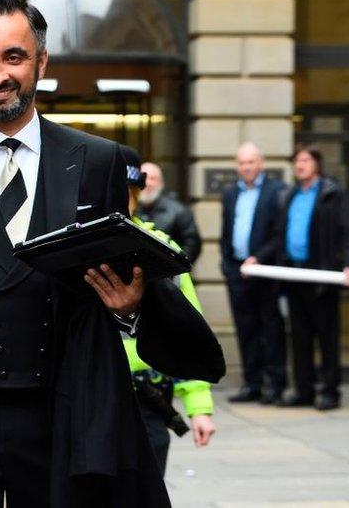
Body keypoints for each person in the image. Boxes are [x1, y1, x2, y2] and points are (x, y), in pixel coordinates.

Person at [0, 0, 224, 508]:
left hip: (63, 413)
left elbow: (121, 281)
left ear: (41, 62)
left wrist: (130, 312)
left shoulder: (98, 161)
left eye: (13, 56)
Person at [121, 145, 215, 476]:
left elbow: (187, 331)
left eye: (130, 192)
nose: (123, 200)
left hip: (149, 395)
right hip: (91, 395)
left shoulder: (162, 251)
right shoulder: (75, 245)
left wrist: (198, 405)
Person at [274, 145, 349, 411]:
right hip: (294, 274)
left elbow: (348, 232)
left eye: (306, 160)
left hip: (322, 275)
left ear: (317, 164)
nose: (300, 165)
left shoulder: (332, 194)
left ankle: (330, 391)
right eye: (297, 161)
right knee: (299, 336)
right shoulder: (289, 194)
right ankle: (304, 389)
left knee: (327, 336)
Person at [219, 142, 288, 404]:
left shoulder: (276, 192)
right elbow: (227, 232)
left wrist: (258, 258)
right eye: (241, 163)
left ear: (261, 163)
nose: (246, 167)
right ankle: (252, 383)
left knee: (271, 329)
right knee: (246, 329)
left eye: (251, 162)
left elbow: (278, 234)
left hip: (265, 270)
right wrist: (227, 265)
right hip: (237, 271)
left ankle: (275, 384)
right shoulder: (230, 194)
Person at [136, 161, 202, 263]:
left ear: (161, 183)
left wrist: (175, 266)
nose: (147, 183)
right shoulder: (129, 208)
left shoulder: (179, 211)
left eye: (153, 178)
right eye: (144, 177)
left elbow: (192, 245)